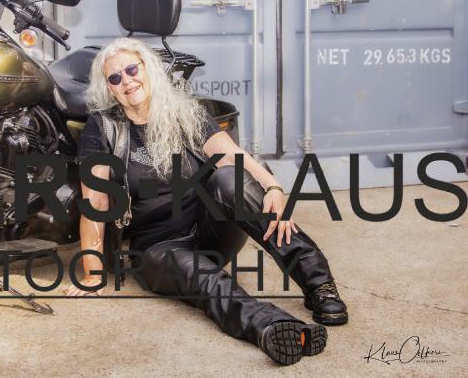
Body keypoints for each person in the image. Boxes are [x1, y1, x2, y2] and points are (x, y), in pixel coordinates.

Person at [66, 37, 348, 366]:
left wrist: (273, 186)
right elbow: (96, 203)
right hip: (158, 249)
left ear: (148, 69)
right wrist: (92, 274)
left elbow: (230, 154)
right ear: (109, 88)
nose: (126, 81)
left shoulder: (185, 112)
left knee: (230, 178)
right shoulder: (102, 128)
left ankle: (319, 284)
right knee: (208, 281)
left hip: (210, 228)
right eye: (115, 77)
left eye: (131, 69)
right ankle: (275, 328)